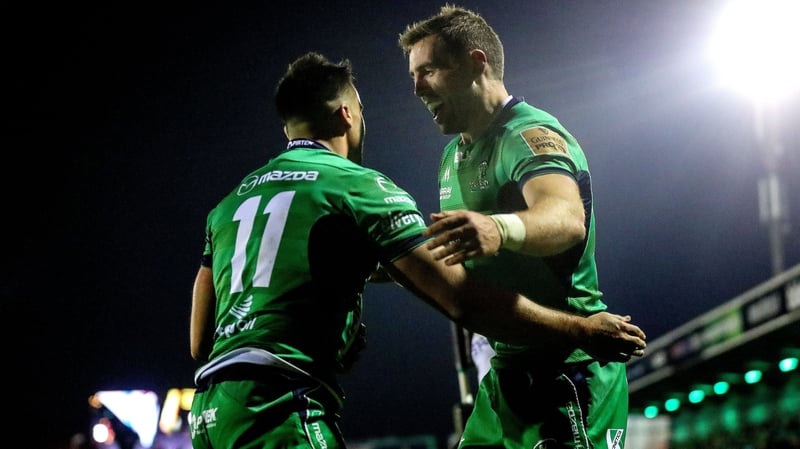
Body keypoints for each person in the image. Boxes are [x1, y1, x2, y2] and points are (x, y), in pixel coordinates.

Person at [188, 51, 646, 449]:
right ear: (348, 114)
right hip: (281, 404)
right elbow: (462, 299)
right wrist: (581, 330)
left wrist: (326, 326)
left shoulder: (229, 204)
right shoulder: (358, 187)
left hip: (209, 412)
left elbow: (199, 341)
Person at [399, 5, 640, 449]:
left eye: (428, 70)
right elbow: (457, 253)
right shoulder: (452, 158)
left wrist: (499, 228)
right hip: (505, 372)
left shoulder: (526, 133)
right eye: (413, 75)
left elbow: (566, 219)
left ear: (476, 63)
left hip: (567, 366)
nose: (416, 88)